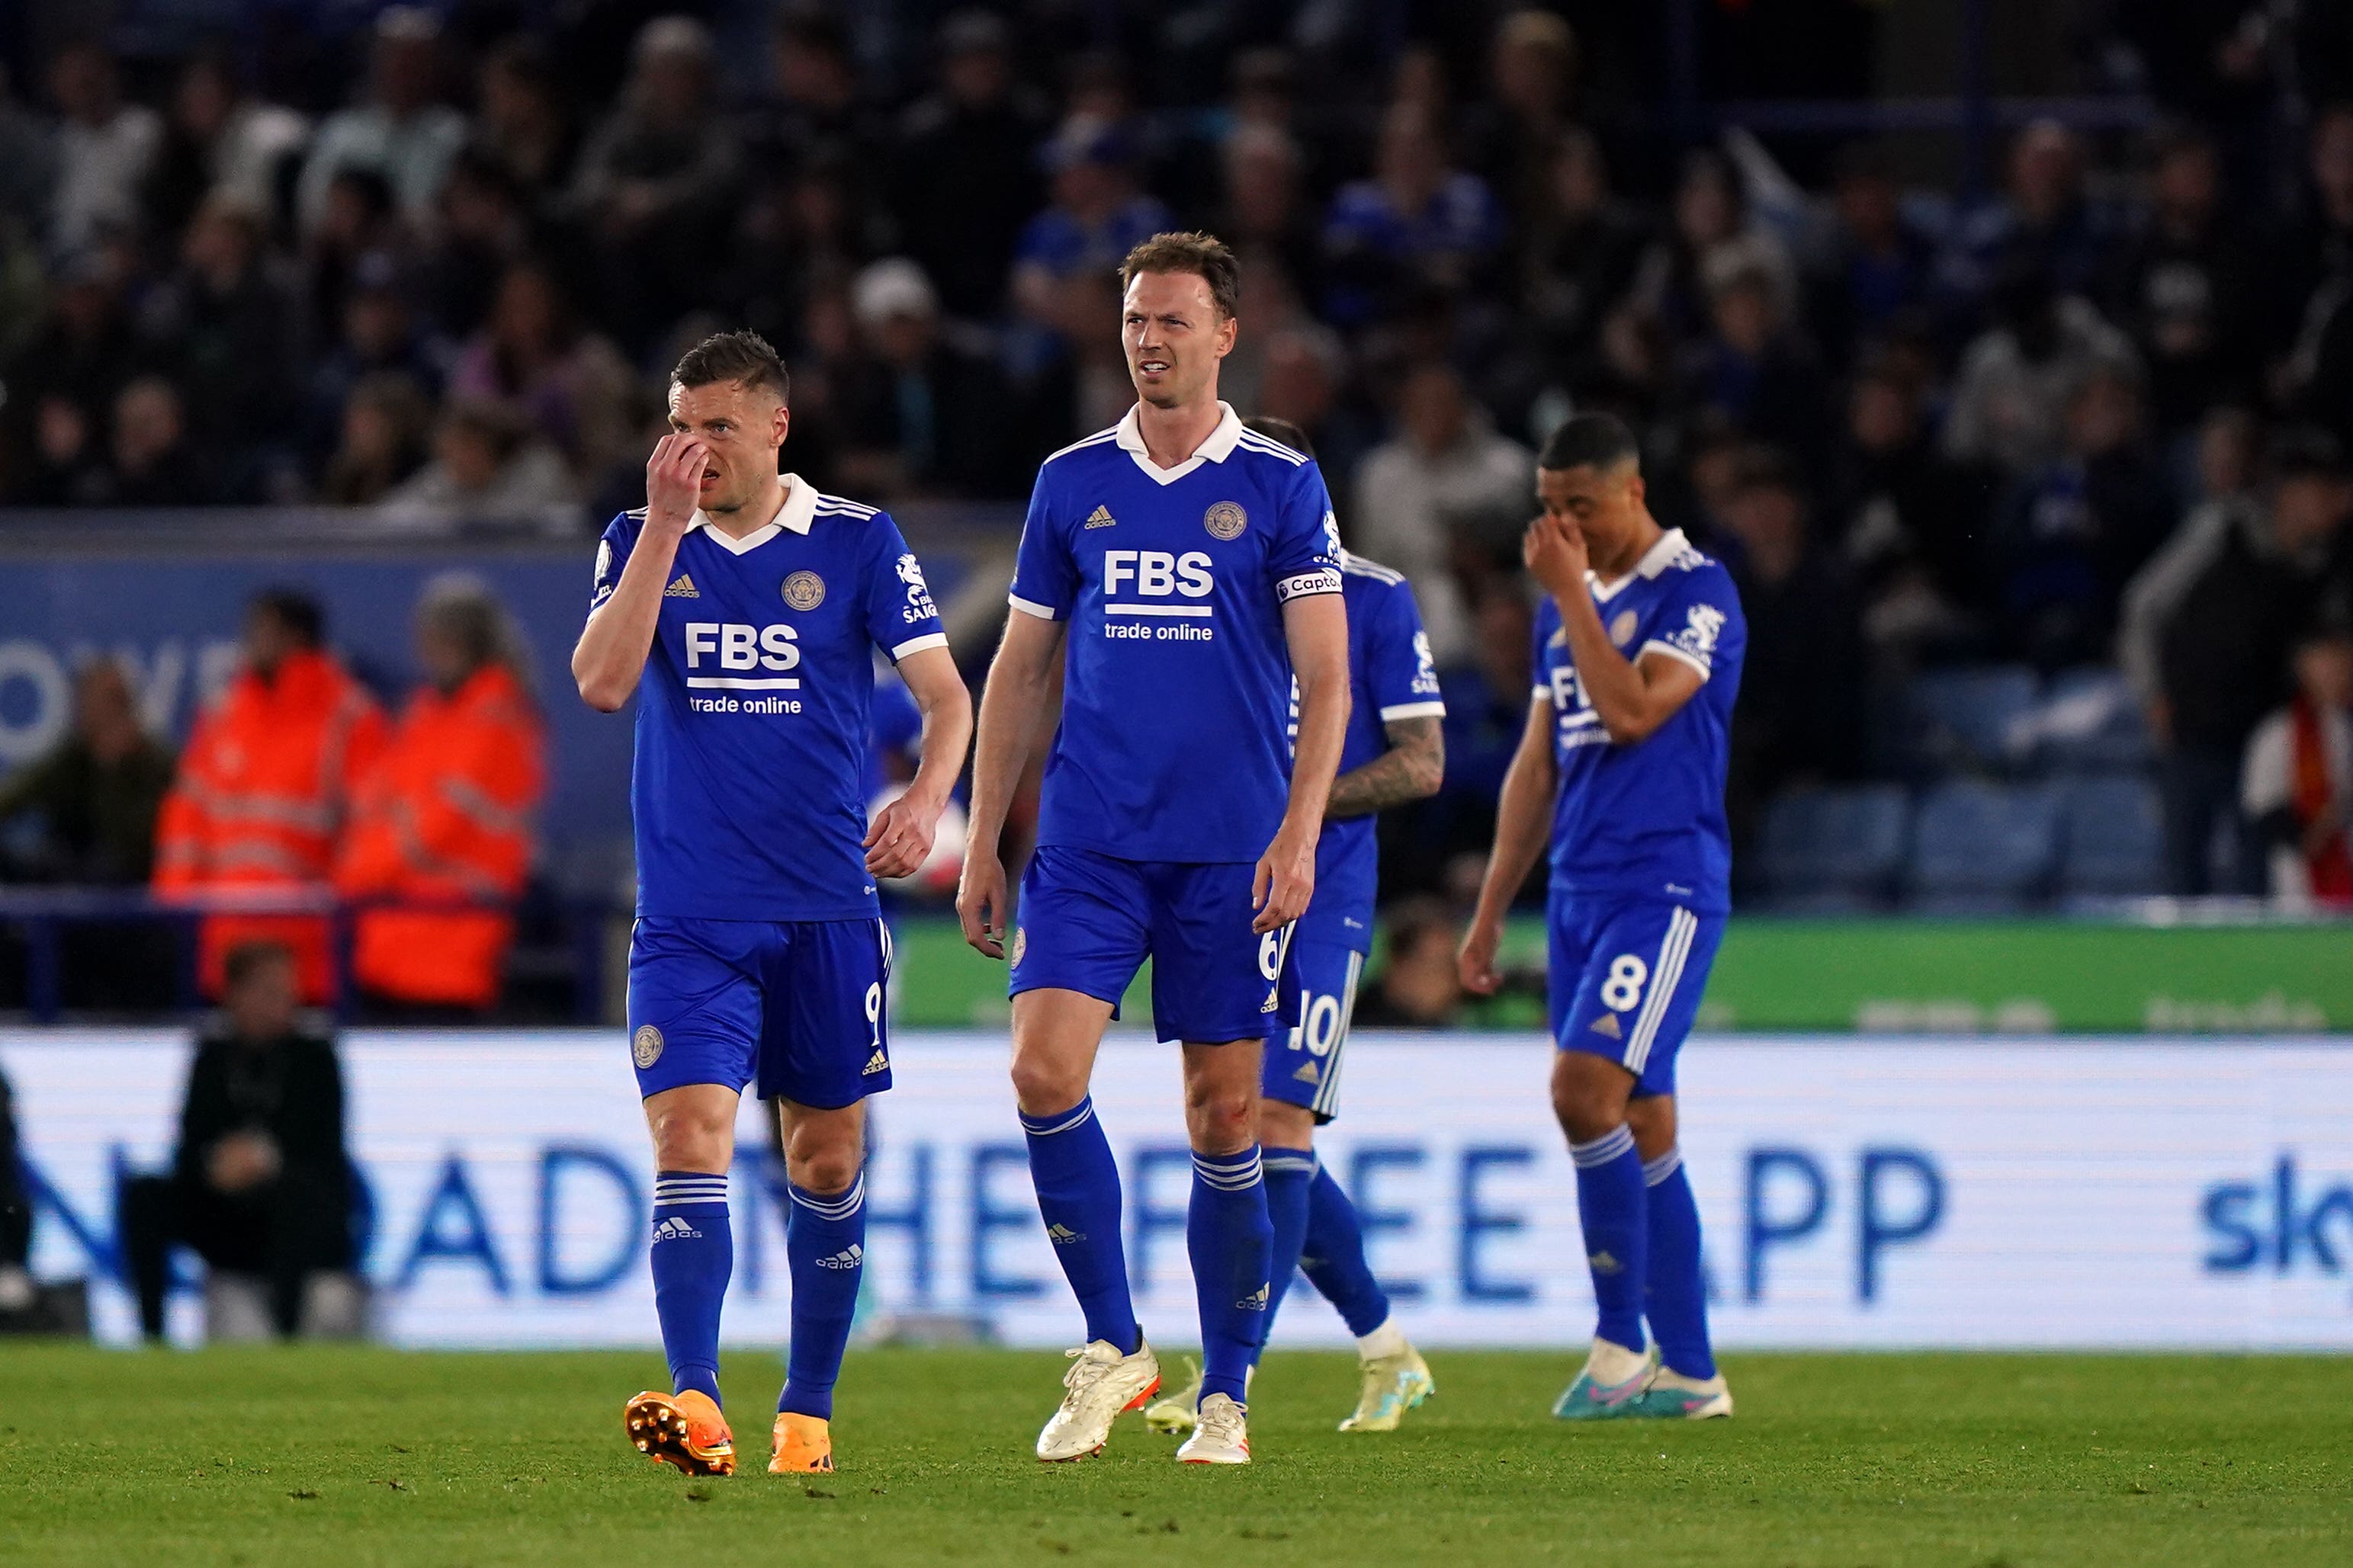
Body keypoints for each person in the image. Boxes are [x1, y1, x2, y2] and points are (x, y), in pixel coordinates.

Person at [956, 232, 1352, 1467]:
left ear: (1227, 335)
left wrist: (1298, 830)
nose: (1149, 339)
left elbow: (1329, 680)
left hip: (1227, 851)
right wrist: (984, 833)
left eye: (1174, 320)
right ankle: (1115, 1341)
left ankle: (1225, 1390)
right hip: (1090, 839)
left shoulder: (1282, 486)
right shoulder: (1072, 483)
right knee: (1039, 1070)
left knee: (1226, 1116)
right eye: (1135, 319)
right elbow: (1020, 667)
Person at [571, 331, 971, 1477]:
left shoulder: (853, 542)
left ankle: (807, 1414)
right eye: (679, 426)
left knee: (827, 1163)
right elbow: (600, 685)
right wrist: (656, 528)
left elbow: (948, 701)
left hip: (827, 912)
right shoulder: (639, 538)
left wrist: (924, 800)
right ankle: (698, 1403)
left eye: (719, 430)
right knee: (687, 1137)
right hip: (692, 915)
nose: (693, 452)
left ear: (775, 428)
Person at [1141, 412, 1443, 1438]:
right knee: (1248, 1131)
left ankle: (1230, 1382)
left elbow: (1423, 761)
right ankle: (1386, 1350)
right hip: (1212, 888)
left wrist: (1301, 811)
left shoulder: (1374, 597)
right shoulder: (1197, 592)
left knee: (1273, 1124)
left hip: (1319, 895)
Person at [1459, 412, 1745, 1421]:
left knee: (1583, 1093)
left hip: (1661, 887)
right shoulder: (1558, 610)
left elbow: (1629, 712)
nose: (1560, 529)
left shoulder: (1695, 592)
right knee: (1642, 1121)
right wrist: (1492, 909)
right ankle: (1693, 1373)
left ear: (1632, 492)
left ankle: (1620, 1346)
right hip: (1579, 888)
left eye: (1578, 507)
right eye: (1547, 509)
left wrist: (1571, 594)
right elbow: (1537, 765)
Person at [153, 590, 388, 1005]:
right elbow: (187, 818)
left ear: (294, 637)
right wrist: (177, 911)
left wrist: (341, 918)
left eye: (259, 630)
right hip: (221, 945)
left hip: (307, 952)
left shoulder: (348, 718)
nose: (248, 642)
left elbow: (371, 829)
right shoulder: (225, 712)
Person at [119, 941, 358, 1342]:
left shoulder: (316, 1057)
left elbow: (322, 1149)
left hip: (293, 1209)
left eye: (287, 992)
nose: (283, 1003)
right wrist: (217, 1164)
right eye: (269, 992)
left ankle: (288, 1335)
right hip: (225, 1208)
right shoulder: (212, 1058)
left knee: (295, 1197)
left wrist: (263, 1160)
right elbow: (189, 1143)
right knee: (145, 1196)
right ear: (234, 995)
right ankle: (152, 1337)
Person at [336, 579, 547, 1018]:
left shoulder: (498, 722)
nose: (426, 651)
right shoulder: (425, 715)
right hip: (388, 941)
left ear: (464, 642)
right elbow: (377, 808)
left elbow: (432, 832)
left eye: (437, 638)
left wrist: (362, 868)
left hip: (453, 949)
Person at [2242, 614, 2353, 907]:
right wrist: (2313, 832)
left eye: (2342, 661)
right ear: (2303, 668)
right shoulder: (2279, 734)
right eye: (2324, 663)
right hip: (2302, 886)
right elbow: (2262, 806)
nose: (2335, 672)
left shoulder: (2346, 726)